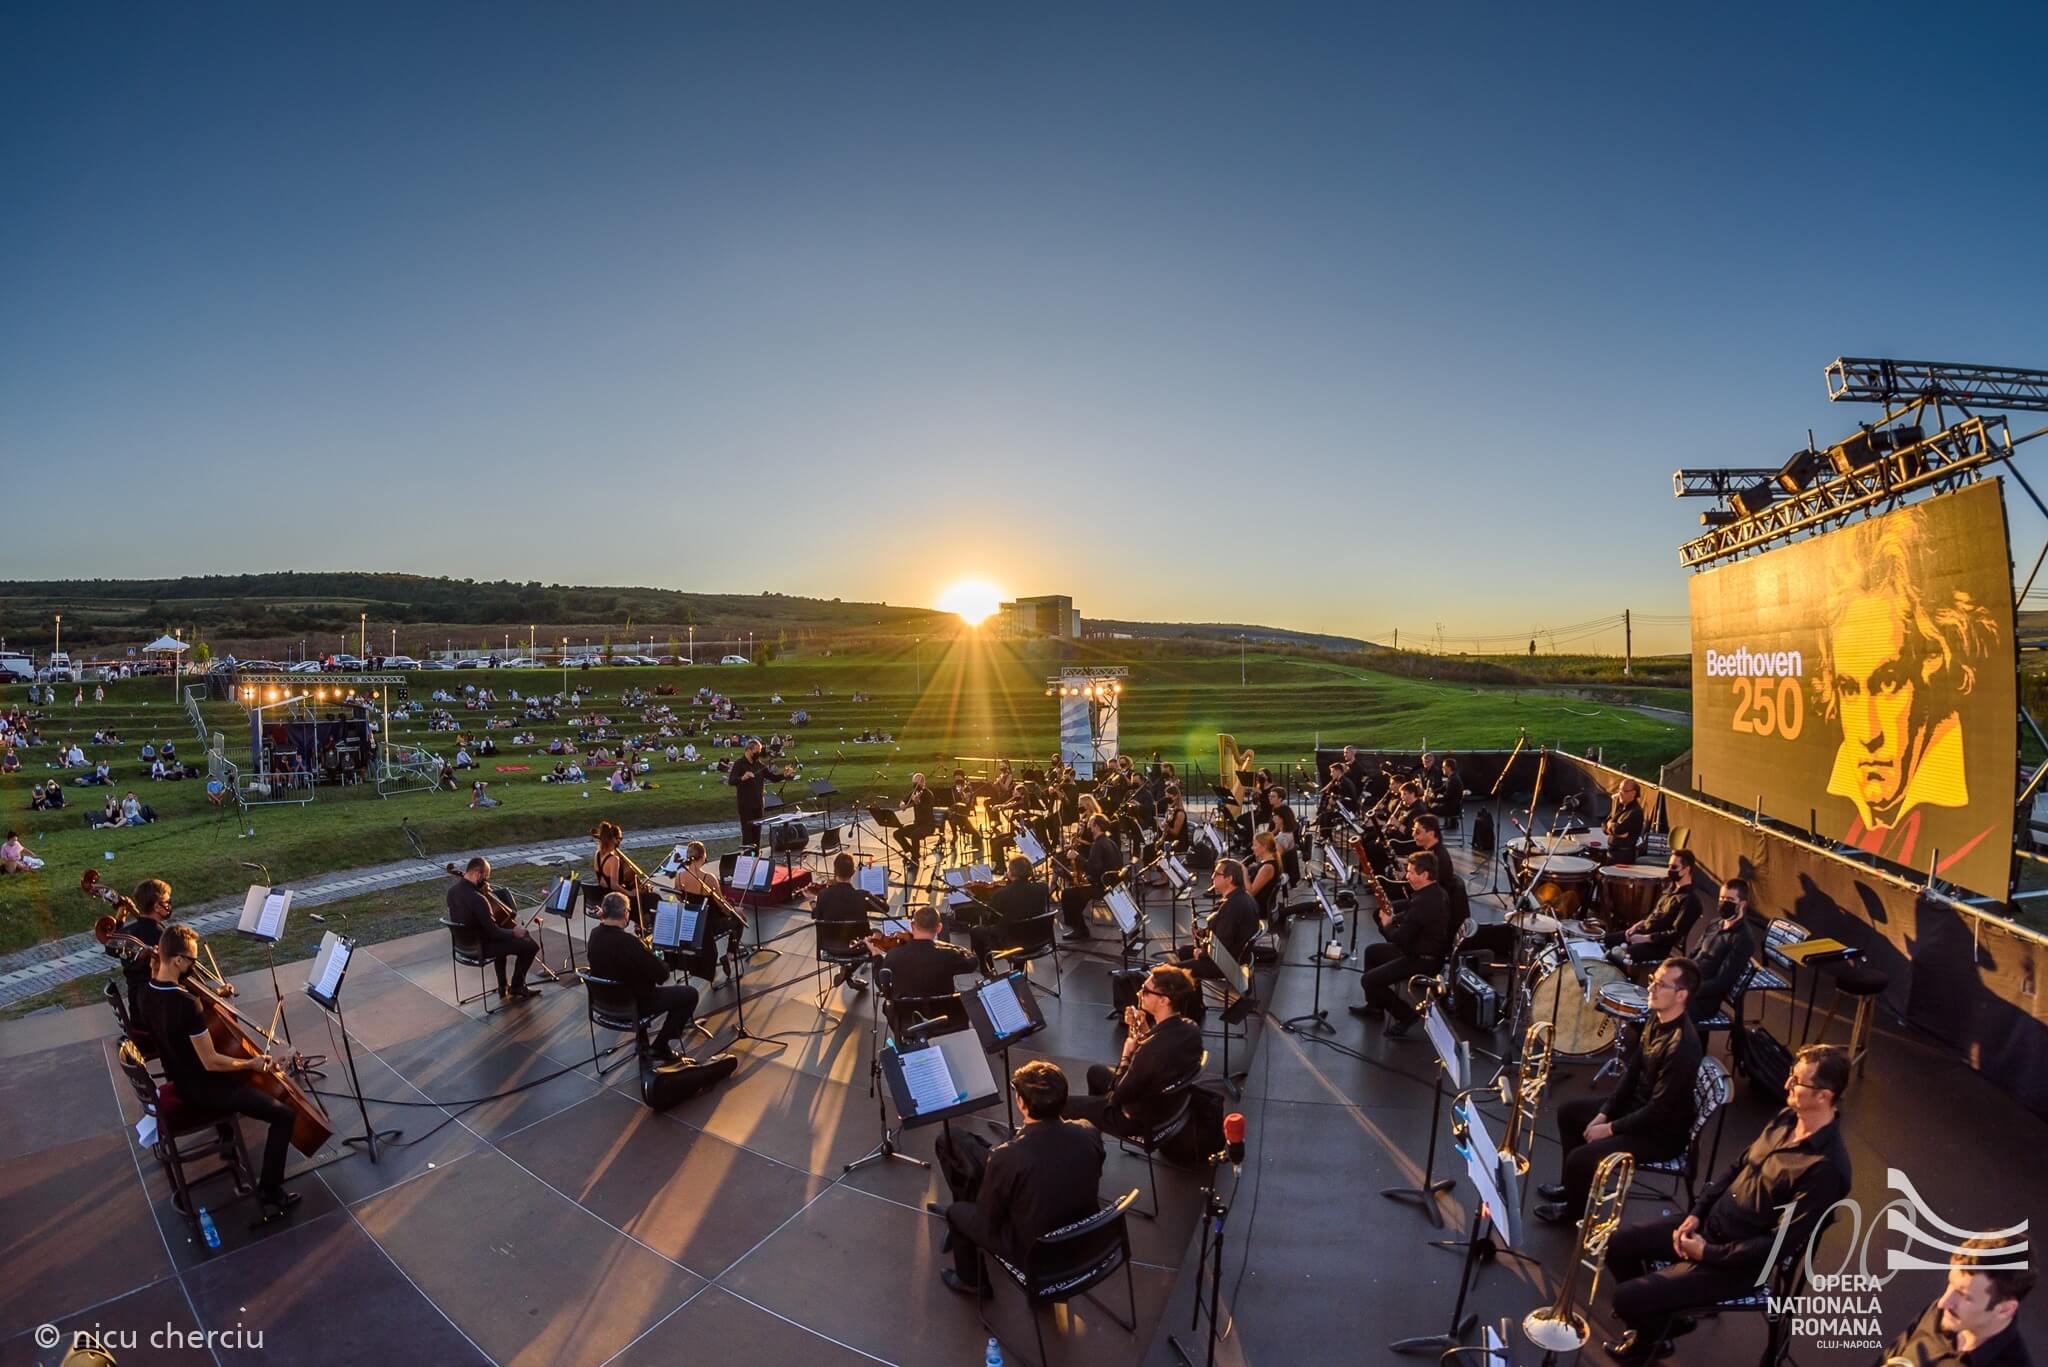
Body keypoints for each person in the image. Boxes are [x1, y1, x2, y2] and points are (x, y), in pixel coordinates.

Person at [1601, 1044, 1853, 1362]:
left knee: (1625, 1299)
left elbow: (1775, 1246)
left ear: (1824, 1096)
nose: (1787, 1084)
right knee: (1614, 1245)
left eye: (1798, 1081)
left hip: (1738, 1265)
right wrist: (1695, 1214)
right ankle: (1661, 1323)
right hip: (1709, 1225)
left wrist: (1706, 1252)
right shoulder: (1789, 1116)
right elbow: (1736, 1167)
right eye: (1792, 1075)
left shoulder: (1828, 1169)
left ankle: (1648, 1338)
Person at [1816, 505, 2001, 880]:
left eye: (1888, 683)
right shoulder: (1830, 795)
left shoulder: (1976, 828)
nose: (1869, 734)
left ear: (1933, 665)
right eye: (1849, 689)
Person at [140, 923, 302, 1218]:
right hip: (204, 1091)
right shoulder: (186, 1004)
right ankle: (270, 1189)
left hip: (179, 1078)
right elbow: (211, 1061)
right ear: (177, 960)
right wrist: (252, 1063)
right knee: (283, 1115)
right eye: (192, 960)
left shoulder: (146, 993)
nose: (195, 966)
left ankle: (228, 1141)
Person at [1535, 957, 1705, 1225]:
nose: (1651, 989)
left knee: (1581, 1158)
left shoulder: (1683, 1048)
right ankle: (1573, 1190)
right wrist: (1605, 1114)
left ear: (1681, 995)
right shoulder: (1656, 1017)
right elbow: (1633, 1074)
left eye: (1660, 985)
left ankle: (1575, 1212)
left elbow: (1659, 1111)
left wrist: (1611, 1128)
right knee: (1569, 1113)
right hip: (1639, 1108)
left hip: (1659, 1133)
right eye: (1653, 981)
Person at [937, 1059, 1104, 1298]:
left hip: (1037, 1254)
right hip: (1085, 1241)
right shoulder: (1088, 1131)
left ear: (1021, 1103)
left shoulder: (1008, 1156)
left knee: (957, 1212)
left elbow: (987, 1220)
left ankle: (972, 1282)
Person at [1066, 965, 1205, 1138]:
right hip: (1171, 1105)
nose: (1139, 993)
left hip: (1142, 1119)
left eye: (1146, 990)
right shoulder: (1191, 1028)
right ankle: (1091, 1132)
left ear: (1164, 1000)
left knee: (1061, 1105)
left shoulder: (1152, 1049)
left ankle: (1088, 1137)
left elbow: (1117, 1096)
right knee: (1095, 1072)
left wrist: (1126, 1053)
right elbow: (1158, 1057)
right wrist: (1144, 1031)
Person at [1879, 1233, 2033, 1367]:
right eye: (1950, 1284)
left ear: (2005, 1309)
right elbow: (1891, 1356)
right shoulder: (1947, 1310)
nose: (1942, 1303)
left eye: (1965, 1296)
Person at [1351, 851, 1456, 1037]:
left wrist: (1386, 924)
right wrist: (1393, 909)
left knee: (1368, 980)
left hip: (1422, 959)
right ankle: (1374, 1007)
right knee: (1372, 952)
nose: (1407, 876)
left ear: (1424, 875)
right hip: (1425, 950)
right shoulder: (1435, 892)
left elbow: (1399, 938)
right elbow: (1411, 909)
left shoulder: (1423, 902)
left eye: (1411, 873)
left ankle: (1405, 1015)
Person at [585, 892, 701, 1061]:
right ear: (625, 913)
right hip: (631, 1005)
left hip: (604, 1004)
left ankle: (642, 1041)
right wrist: (651, 954)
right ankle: (661, 1046)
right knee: (689, 994)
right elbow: (661, 975)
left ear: (604, 911)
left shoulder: (594, 935)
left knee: (633, 979)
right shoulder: (628, 942)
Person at [444, 857, 540, 1000]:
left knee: (503, 937)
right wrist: (514, 931)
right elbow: (494, 933)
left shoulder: (452, 892)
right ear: (477, 874)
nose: (487, 881)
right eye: (486, 876)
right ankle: (517, 986)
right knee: (530, 945)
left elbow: (470, 914)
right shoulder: (478, 899)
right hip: (481, 948)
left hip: (463, 947)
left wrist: (482, 893)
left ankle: (503, 986)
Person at [1607, 848, 1705, 966]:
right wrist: (1639, 925)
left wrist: (1645, 938)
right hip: (1644, 932)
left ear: (1687, 869)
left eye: (1674, 867)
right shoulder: (1669, 889)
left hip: (1657, 946)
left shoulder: (1690, 901)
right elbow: (1656, 914)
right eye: (1669, 866)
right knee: (1607, 940)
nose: (1669, 870)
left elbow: (1675, 933)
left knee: (1615, 957)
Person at [1175, 858, 1262, 986]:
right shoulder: (1242, 896)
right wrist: (1203, 933)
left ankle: (1191, 1000)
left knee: (1170, 971)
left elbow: (1221, 946)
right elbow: (1227, 932)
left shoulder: (1232, 906)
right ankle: (1195, 991)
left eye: (1217, 874)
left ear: (1230, 878)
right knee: (1184, 951)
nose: (1212, 876)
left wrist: (1201, 953)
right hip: (1236, 955)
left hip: (1227, 963)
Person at [870, 904, 976, 1003]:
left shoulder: (893, 955)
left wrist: (876, 955)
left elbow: (883, 986)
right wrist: (943, 944)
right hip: (943, 1016)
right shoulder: (949, 955)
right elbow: (973, 961)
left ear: (912, 926)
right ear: (939, 928)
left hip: (906, 1018)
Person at [1690, 880, 1758, 1023]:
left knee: (1664, 1009)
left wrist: (1689, 990)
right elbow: (1694, 953)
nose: (1723, 902)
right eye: (1721, 898)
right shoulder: (1715, 923)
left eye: (1730, 899)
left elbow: (1722, 982)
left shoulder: (1743, 939)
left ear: (1742, 904)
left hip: (1704, 1000)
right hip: (1690, 982)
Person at [971, 855, 1050, 975]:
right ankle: (1018, 971)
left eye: (1008, 870)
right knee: (1022, 923)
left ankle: (987, 969)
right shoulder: (1042, 888)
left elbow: (991, 920)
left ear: (1012, 873)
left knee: (976, 931)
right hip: (1039, 940)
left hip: (1012, 944)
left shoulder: (1001, 894)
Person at [811, 852, 874, 991]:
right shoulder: (861, 896)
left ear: (834, 872)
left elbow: (817, 915)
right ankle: (849, 971)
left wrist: (812, 901)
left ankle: (846, 972)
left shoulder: (823, 895)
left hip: (829, 946)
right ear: (853, 872)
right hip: (858, 947)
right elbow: (885, 908)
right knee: (878, 934)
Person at [118, 878, 175, 1025]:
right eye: (167, 902)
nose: (169, 905)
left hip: (137, 1013)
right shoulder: (162, 937)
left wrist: (120, 920)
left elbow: (111, 946)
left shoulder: (126, 934)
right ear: (157, 906)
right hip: (159, 1018)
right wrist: (214, 994)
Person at [1057, 814, 1122, 940]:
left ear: (1096, 827)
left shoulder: (1097, 845)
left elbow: (1093, 868)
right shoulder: (1110, 841)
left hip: (1102, 887)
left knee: (1067, 894)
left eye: (1090, 825)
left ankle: (1078, 928)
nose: (1088, 827)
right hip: (1111, 884)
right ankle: (1078, 924)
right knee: (1077, 896)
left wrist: (1077, 857)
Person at [728, 738, 792, 848]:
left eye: (760, 750)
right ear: (748, 750)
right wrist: (742, 778)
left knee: (757, 834)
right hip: (746, 806)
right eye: (757, 751)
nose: (759, 753)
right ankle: (748, 859)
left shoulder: (759, 764)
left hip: (758, 805)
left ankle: (756, 857)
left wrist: (784, 775)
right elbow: (731, 781)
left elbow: (773, 777)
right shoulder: (739, 764)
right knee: (748, 835)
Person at [895, 772, 937, 866]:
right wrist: (902, 804)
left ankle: (915, 859)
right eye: (914, 783)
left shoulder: (928, 795)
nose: (915, 786)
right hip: (917, 824)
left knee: (914, 835)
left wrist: (918, 802)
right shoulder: (914, 793)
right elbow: (904, 800)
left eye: (917, 783)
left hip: (928, 825)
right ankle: (911, 851)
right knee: (897, 833)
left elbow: (927, 810)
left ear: (922, 783)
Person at [1605, 778, 1646, 865]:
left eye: (1624, 791)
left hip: (1623, 857)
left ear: (1633, 793)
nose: (1620, 793)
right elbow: (1604, 825)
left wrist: (1612, 828)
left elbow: (1619, 829)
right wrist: (1611, 827)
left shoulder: (1635, 812)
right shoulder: (1619, 807)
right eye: (1619, 790)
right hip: (1611, 853)